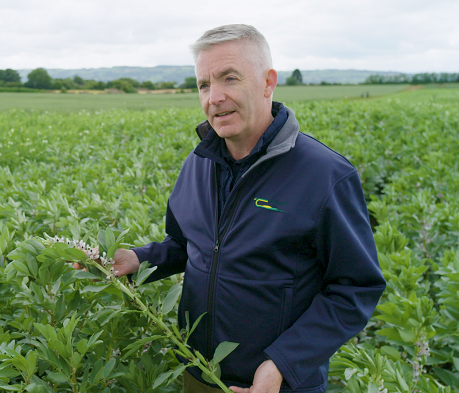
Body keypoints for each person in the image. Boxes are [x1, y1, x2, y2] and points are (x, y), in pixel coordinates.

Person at [105, 25, 386, 392]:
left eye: (229, 78)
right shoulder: (197, 163)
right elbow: (188, 245)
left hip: (277, 385)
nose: (215, 97)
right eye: (204, 85)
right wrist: (138, 259)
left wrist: (281, 364)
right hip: (198, 373)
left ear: (268, 82)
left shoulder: (325, 175)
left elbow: (355, 288)